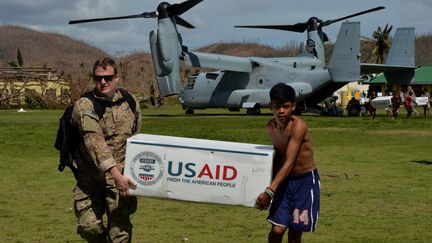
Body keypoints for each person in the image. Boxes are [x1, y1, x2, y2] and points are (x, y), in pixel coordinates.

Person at [71, 57, 141, 242]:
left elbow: (135, 138)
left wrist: (125, 175)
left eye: (108, 77)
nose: (103, 82)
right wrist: (116, 174)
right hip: (91, 179)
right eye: (98, 78)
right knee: (89, 227)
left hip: (120, 181)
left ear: (116, 77)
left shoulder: (130, 102)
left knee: (120, 234)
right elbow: (94, 142)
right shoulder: (84, 105)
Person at [255, 83, 320, 243]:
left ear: (293, 106)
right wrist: (267, 185)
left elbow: (289, 162)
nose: (281, 111)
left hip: (305, 182)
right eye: (277, 107)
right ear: (271, 106)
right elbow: (278, 157)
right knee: (277, 229)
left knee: (295, 230)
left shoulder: (298, 126)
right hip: (284, 181)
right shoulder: (271, 126)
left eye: (285, 106)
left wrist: (269, 191)